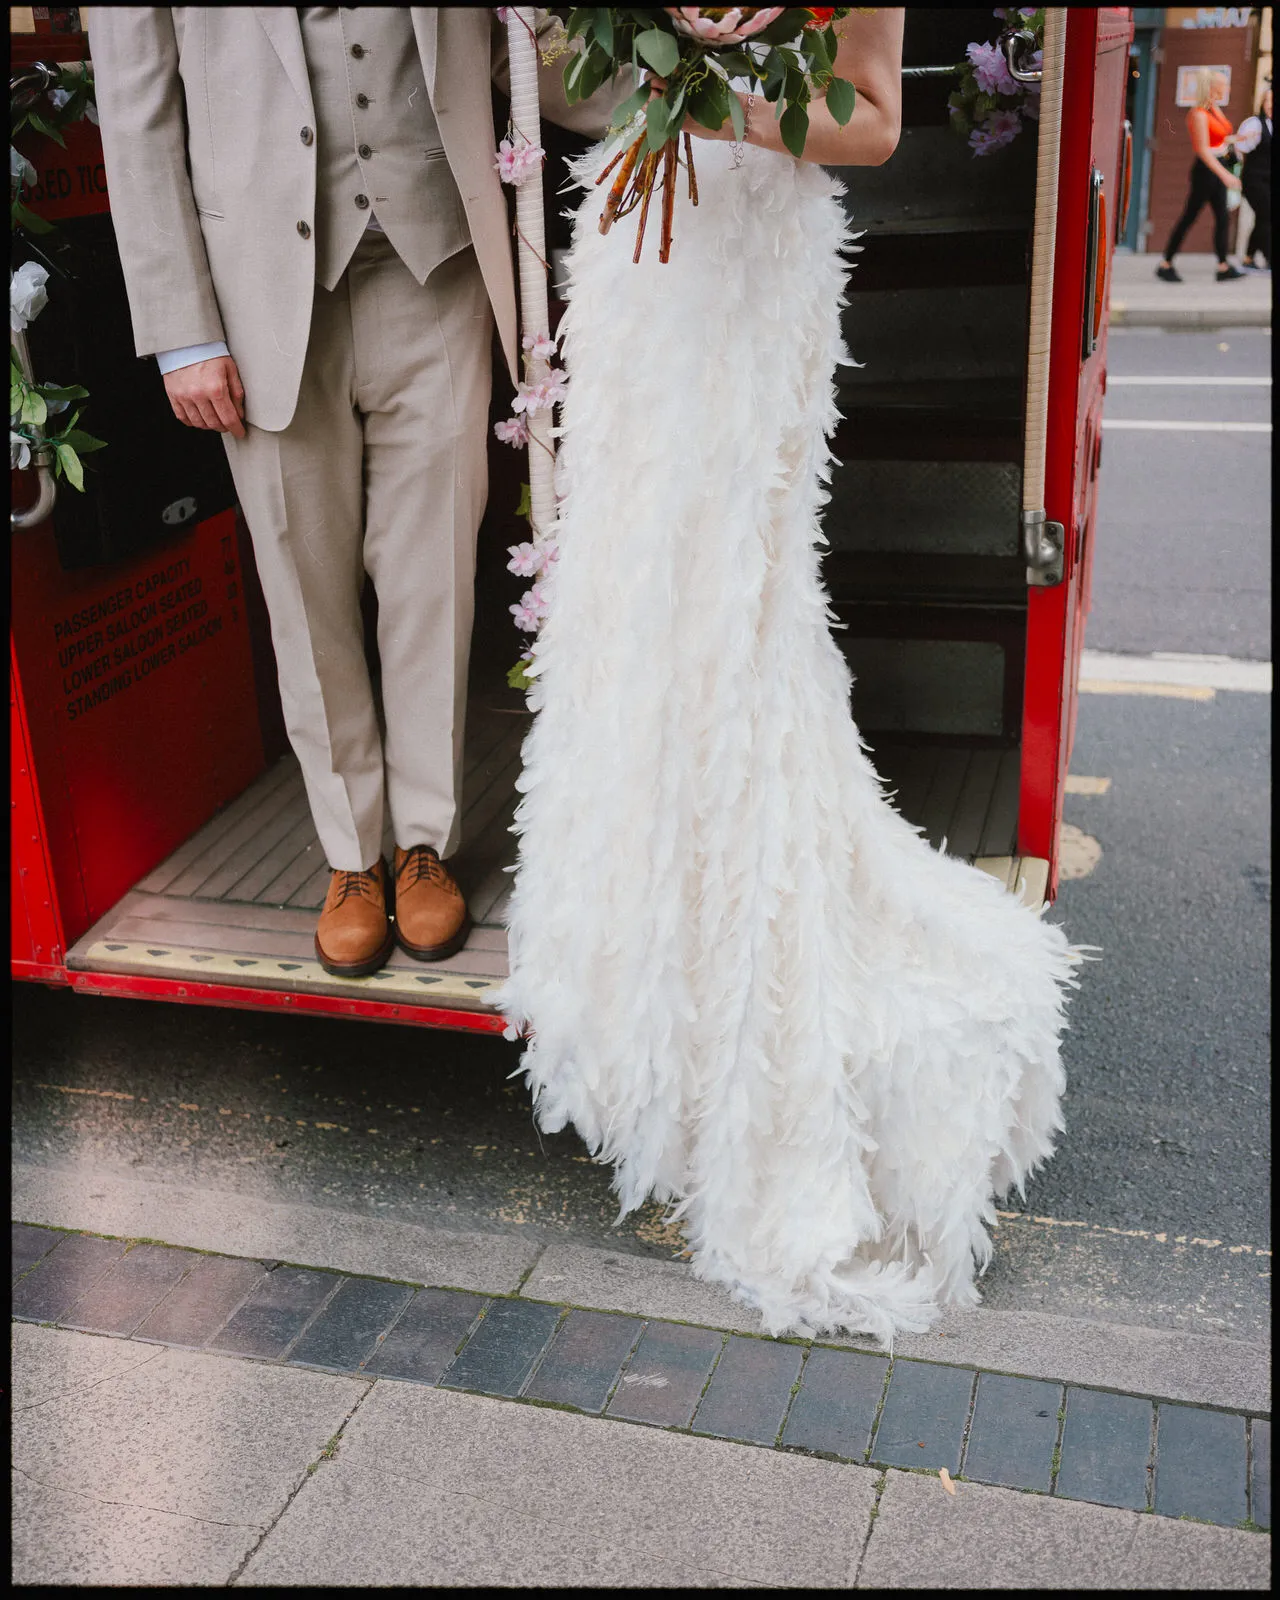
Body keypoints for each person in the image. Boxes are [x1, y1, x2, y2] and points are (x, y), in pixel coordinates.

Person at [494, 8, 1083, 1345]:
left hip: (753, 250)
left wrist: (711, 92)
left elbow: (869, 120)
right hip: (639, 258)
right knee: (633, 588)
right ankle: (646, 974)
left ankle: (744, 1005)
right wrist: (615, 59)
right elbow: (568, 83)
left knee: (730, 609)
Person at [88, 8, 617, 978]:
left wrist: (695, 93)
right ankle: (349, 856)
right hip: (255, 301)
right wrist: (184, 333)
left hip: (438, 270)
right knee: (302, 583)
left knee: (431, 579)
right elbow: (137, 115)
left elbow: (528, 40)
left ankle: (424, 837)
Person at [1157, 67, 1244, 282]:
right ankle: (1165, 263)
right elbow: (1203, 150)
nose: (1227, 87)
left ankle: (1223, 267)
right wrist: (1225, 175)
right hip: (1207, 171)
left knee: (1223, 218)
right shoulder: (1197, 114)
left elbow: (1220, 138)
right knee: (1190, 216)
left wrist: (1237, 140)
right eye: (1223, 84)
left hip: (1219, 165)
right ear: (1213, 87)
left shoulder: (1213, 108)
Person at [1235, 84, 1272, 272]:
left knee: (1264, 217)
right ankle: (1268, 257)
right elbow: (1239, 150)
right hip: (1254, 180)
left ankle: (1249, 258)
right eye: (1268, 100)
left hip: (1268, 182)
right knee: (1267, 214)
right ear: (1263, 103)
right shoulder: (1254, 124)